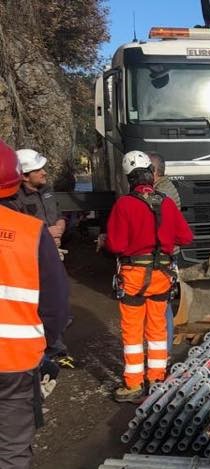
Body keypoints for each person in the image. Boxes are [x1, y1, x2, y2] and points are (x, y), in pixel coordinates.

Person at [101, 151, 193, 402]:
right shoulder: (165, 202)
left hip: (134, 276)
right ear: (151, 175)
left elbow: (116, 245)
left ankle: (133, 385)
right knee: (157, 328)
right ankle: (156, 379)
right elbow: (185, 237)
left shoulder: (124, 204)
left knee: (132, 333)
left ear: (129, 178)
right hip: (161, 275)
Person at [0, 139, 69, 469]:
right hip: (16, 361)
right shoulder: (29, 232)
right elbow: (55, 304)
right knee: (12, 447)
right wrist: (49, 347)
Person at [12, 148, 74, 368]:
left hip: (51, 255)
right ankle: (49, 351)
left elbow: (58, 214)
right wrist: (45, 234)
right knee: (39, 305)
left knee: (59, 301)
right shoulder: (15, 200)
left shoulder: (47, 191)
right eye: (39, 170)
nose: (45, 172)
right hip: (31, 260)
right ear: (25, 176)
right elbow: (18, 231)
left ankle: (53, 346)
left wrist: (62, 224)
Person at [147, 151, 181, 354]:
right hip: (166, 254)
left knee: (161, 306)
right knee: (162, 305)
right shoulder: (164, 188)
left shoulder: (161, 195)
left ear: (153, 172)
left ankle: (163, 352)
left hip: (162, 256)